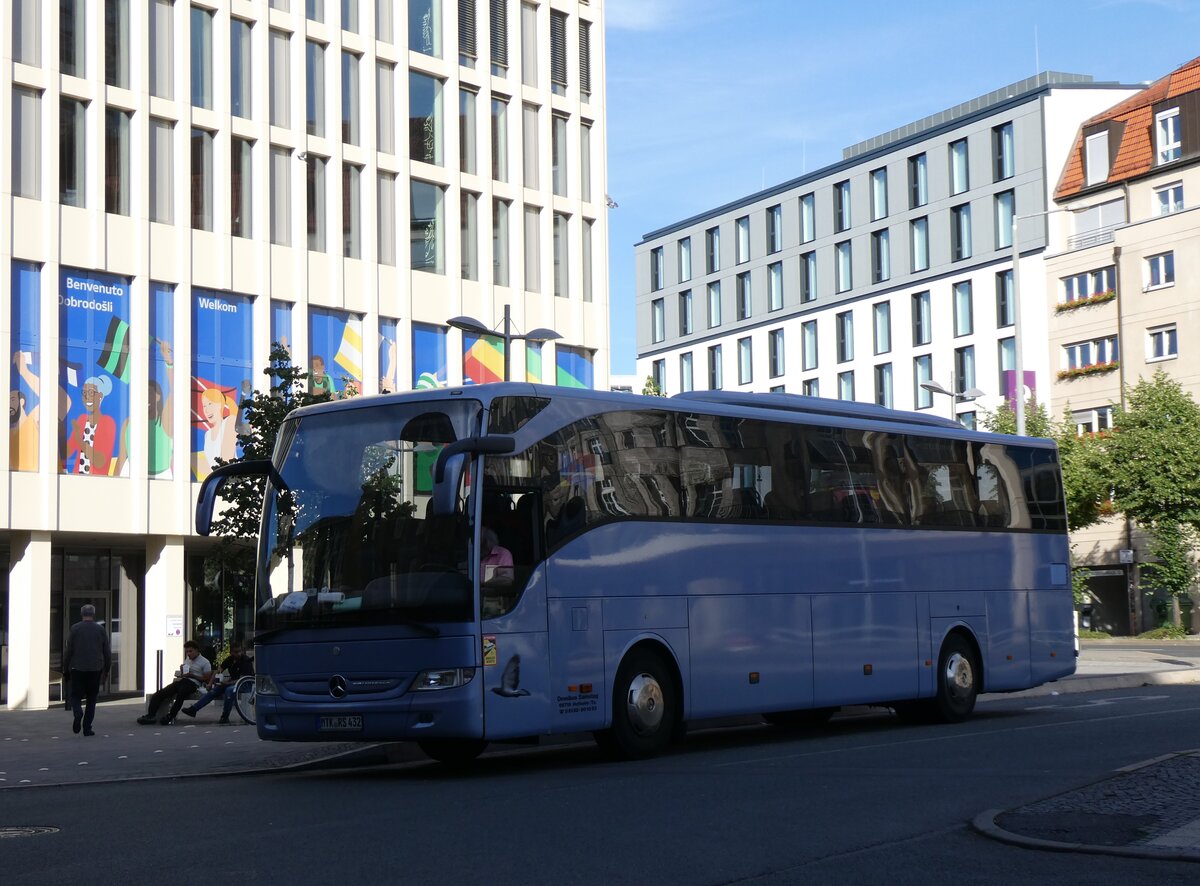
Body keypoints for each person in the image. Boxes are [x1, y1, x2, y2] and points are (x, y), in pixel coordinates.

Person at [62, 603, 111, 737]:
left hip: (78, 667)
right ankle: (87, 728)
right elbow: (106, 651)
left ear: (82, 614)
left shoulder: (75, 629)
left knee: (75, 695)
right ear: (93, 614)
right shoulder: (100, 630)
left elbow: (69, 651)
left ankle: (77, 711)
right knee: (91, 699)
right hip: (95, 668)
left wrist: (65, 668)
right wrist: (107, 668)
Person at [137, 640, 212, 725]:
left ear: (197, 650)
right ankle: (151, 716)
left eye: (190, 651)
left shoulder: (205, 662)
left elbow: (206, 679)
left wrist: (192, 676)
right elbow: (184, 674)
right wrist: (182, 670)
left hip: (193, 684)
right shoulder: (188, 659)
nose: (188, 654)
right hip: (183, 681)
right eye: (187, 651)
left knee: (181, 694)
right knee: (160, 693)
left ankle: (170, 716)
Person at [182, 642, 254, 724]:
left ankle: (225, 717)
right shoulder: (230, 659)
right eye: (236, 652)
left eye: (239, 651)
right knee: (214, 691)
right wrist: (210, 683)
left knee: (229, 691)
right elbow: (218, 670)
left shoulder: (245, 661)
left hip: (244, 684)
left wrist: (227, 683)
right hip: (232, 683)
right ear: (231, 652)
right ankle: (194, 709)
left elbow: (242, 679)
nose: (238, 654)